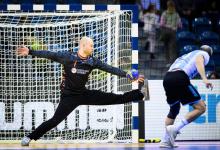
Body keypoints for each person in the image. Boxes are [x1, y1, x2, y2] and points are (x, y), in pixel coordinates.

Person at [16, 36, 148, 146]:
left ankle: (141, 94)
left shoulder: (92, 61)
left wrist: (127, 75)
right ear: (83, 45)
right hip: (69, 97)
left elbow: (109, 68)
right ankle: (29, 137)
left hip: (84, 94)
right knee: (54, 120)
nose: (93, 48)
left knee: (114, 98)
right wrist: (30, 51)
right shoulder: (68, 57)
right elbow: (50, 55)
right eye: (91, 45)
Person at [160, 45, 214, 148]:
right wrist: (204, 79)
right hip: (179, 77)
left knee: (174, 110)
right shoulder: (203, 54)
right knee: (201, 108)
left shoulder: (186, 55)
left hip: (167, 78)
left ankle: (165, 141)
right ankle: (175, 128)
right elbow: (199, 60)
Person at [159, 0, 182, 66]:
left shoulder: (164, 13)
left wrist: (169, 26)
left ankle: (168, 62)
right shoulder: (176, 14)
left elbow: (161, 24)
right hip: (173, 32)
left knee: (167, 47)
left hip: (166, 31)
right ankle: (173, 62)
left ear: (167, 6)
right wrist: (174, 26)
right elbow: (180, 25)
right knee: (172, 47)